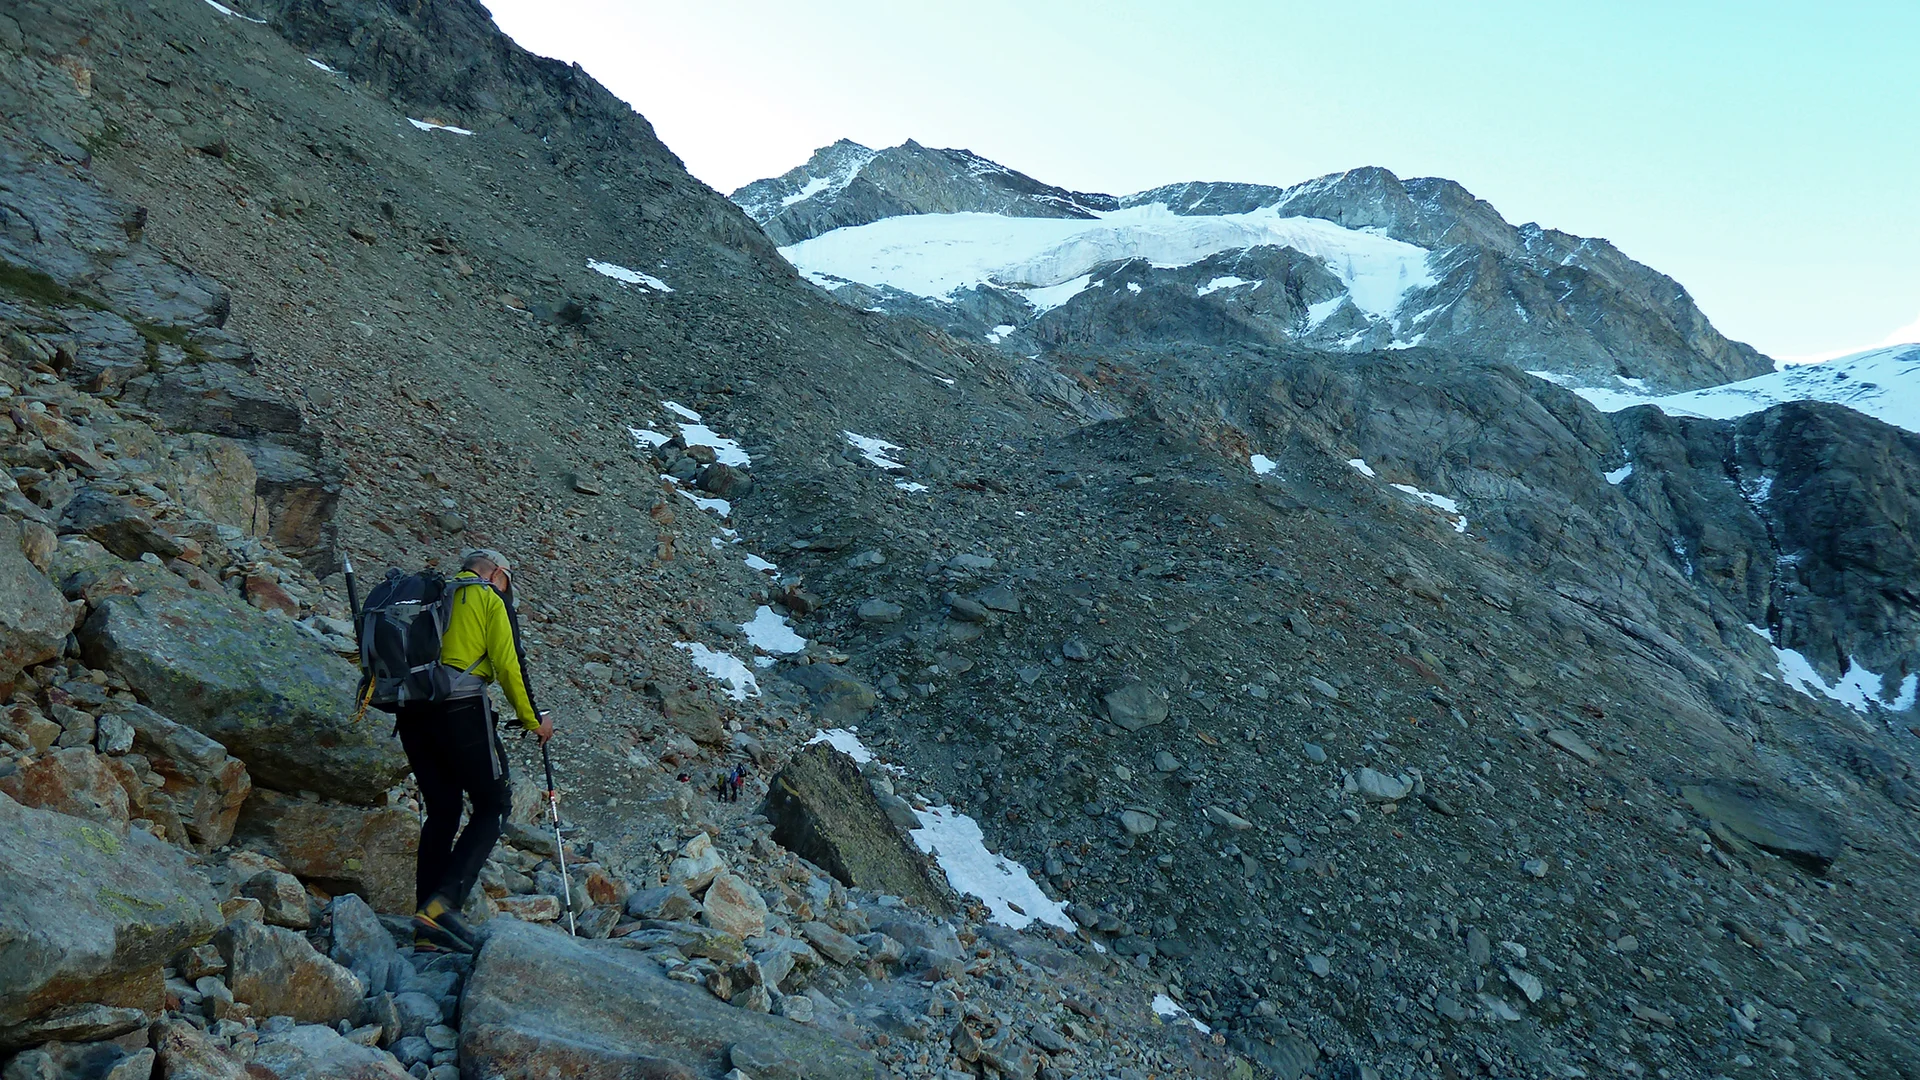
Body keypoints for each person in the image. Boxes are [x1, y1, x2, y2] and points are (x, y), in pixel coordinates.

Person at [401, 548, 554, 953]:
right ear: (497, 574)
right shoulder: (487, 599)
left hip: (412, 713)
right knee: (493, 804)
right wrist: (533, 719)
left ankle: (425, 929)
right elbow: (508, 666)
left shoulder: (432, 595)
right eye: (508, 581)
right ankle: (443, 904)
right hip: (462, 711)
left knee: (443, 811)